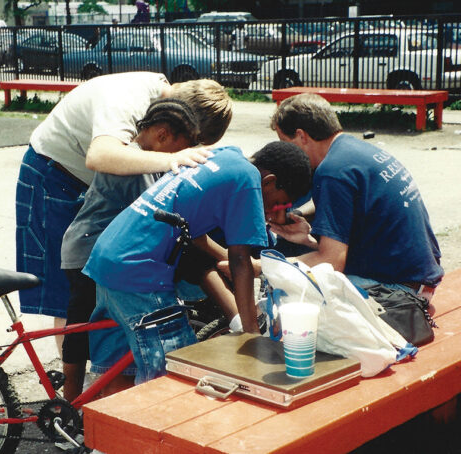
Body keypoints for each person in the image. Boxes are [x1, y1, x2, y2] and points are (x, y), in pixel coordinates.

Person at [15, 72, 232, 354]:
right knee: (68, 296)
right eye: (189, 141)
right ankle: (74, 391)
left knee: (104, 283)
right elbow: (101, 156)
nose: (189, 150)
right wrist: (171, 159)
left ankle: (97, 367)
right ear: (175, 123)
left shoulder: (159, 110)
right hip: (55, 176)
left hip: (96, 182)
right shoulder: (127, 99)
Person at [82, 141, 312, 395]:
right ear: (269, 181)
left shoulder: (225, 155)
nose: (271, 210)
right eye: (278, 203)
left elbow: (197, 235)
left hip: (110, 256)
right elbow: (240, 260)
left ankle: (104, 432)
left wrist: (224, 258)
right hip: (139, 273)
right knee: (177, 377)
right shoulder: (248, 180)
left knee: (121, 373)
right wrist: (251, 332)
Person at [60, 98, 201, 402]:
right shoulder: (135, 164)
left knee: (105, 331)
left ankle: (89, 402)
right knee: (83, 331)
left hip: (99, 252)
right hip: (88, 252)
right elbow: (155, 213)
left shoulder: (141, 159)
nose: (176, 157)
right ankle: (67, 406)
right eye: (179, 148)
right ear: (162, 135)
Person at [264, 93, 444, 311]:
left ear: (301, 136)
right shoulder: (354, 150)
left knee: (287, 296)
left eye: (286, 143)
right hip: (420, 280)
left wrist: (262, 267)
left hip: (398, 292)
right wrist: (308, 239)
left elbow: (332, 261)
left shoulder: (332, 171)